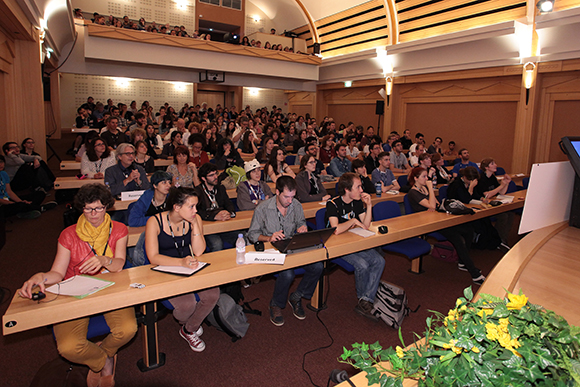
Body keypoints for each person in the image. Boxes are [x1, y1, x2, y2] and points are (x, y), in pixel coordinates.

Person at [18, 184, 138, 387]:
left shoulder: (119, 229)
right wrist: (41, 277)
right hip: (75, 290)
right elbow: (57, 273)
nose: (93, 214)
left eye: (98, 208)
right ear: (81, 208)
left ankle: (103, 357)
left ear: (107, 207)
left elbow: (119, 264)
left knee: (128, 329)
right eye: (88, 208)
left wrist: (104, 260)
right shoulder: (68, 234)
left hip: (110, 286)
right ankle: (103, 360)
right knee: (68, 347)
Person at [145, 187, 219, 352]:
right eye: (191, 207)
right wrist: (180, 263)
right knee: (187, 305)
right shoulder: (155, 221)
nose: (195, 210)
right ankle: (191, 322)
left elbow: (199, 251)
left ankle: (188, 329)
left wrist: (195, 226)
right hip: (165, 269)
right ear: (177, 207)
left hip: (190, 267)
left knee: (213, 294)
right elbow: (153, 257)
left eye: (196, 206)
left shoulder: (195, 218)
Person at [247, 176, 324, 326]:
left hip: (292, 245)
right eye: (286, 197)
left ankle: (297, 296)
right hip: (273, 249)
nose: (290, 201)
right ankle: (276, 303)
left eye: (293, 196)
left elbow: (301, 221)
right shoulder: (262, 208)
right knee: (288, 274)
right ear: (277, 192)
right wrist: (269, 238)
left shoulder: (296, 205)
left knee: (318, 266)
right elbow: (252, 234)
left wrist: (303, 227)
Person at [406, 167, 485, 285]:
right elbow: (432, 206)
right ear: (416, 178)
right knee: (457, 239)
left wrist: (430, 197)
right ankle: (474, 274)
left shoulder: (423, 189)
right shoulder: (413, 192)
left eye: (427, 176)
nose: (426, 178)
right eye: (423, 176)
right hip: (427, 223)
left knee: (468, 230)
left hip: (437, 219)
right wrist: (431, 189)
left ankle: (462, 262)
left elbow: (436, 204)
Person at [326, 173, 385, 320]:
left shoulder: (357, 201)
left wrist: (369, 205)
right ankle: (364, 298)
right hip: (338, 246)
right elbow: (336, 229)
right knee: (363, 265)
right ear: (347, 189)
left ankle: (366, 300)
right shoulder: (333, 204)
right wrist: (352, 221)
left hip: (354, 242)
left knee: (379, 261)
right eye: (358, 187)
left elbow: (365, 225)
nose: (361, 190)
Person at [194, 163, 238, 252]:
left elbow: (229, 204)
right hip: (208, 228)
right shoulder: (197, 192)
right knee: (216, 243)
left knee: (242, 236)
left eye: (216, 174)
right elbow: (197, 212)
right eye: (211, 175)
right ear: (203, 178)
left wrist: (228, 212)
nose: (215, 177)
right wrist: (214, 216)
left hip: (224, 224)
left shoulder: (220, 188)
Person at [475, 158, 514, 248]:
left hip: (492, 203)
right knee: (503, 216)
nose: (495, 165)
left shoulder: (492, 177)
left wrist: (506, 183)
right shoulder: (481, 178)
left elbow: (501, 192)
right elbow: (487, 195)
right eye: (492, 164)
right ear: (486, 167)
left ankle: (502, 237)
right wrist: (501, 185)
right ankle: (498, 239)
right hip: (482, 205)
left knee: (511, 214)